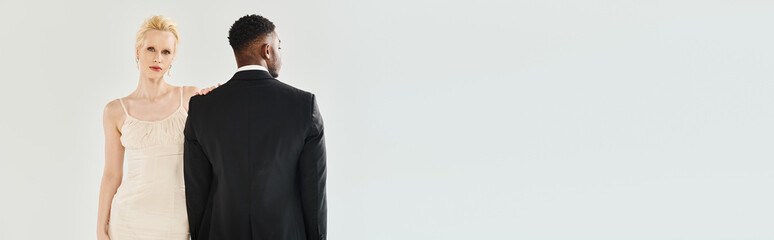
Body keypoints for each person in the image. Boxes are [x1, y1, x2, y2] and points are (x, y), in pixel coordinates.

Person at [184, 14, 327, 240]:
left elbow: (196, 190)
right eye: (279, 47)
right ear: (267, 51)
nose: (280, 54)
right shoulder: (303, 105)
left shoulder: (202, 107)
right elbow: (314, 191)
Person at [96, 15, 216, 240]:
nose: (158, 58)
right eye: (151, 49)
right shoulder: (115, 111)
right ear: (137, 51)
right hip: (127, 220)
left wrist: (218, 100)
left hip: (175, 221)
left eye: (166, 52)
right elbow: (112, 174)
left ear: (172, 58)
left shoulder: (189, 98)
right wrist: (100, 229)